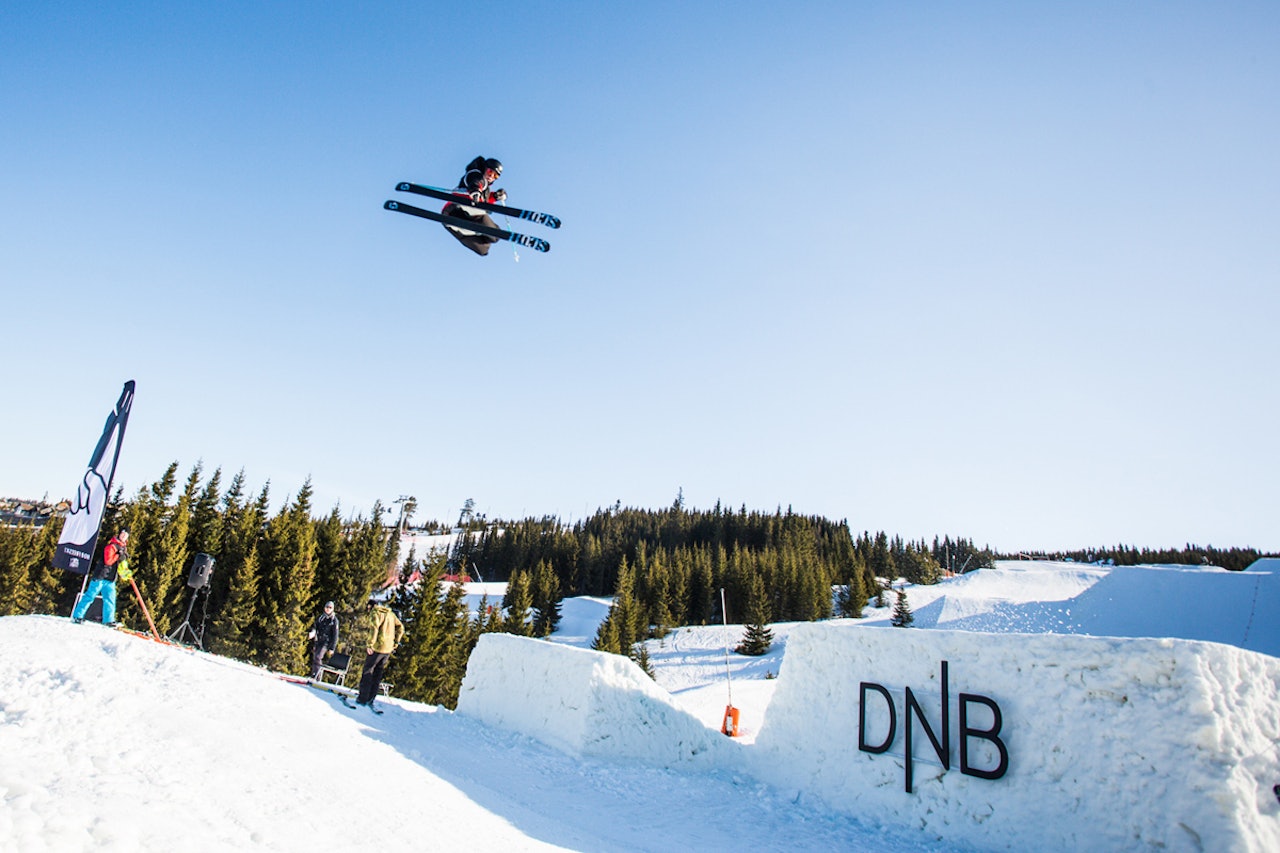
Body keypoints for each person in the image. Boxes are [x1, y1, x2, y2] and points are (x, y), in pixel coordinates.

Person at [441, 156, 507, 256]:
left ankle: (470, 229)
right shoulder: (475, 174)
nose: (491, 177)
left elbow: (484, 199)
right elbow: (475, 181)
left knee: (484, 249)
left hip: (455, 219)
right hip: (456, 208)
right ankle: (476, 228)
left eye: (495, 176)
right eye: (490, 172)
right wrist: (475, 190)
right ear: (484, 168)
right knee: (496, 234)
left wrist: (495, 196)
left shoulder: (486, 189)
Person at [72, 529, 131, 624]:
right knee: (90, 596)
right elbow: (108, 561)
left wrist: (125, 572)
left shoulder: (123, 548)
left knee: (110, 599)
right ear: (119, 534)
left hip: (110, 578)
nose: (123, 536)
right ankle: (77, 616)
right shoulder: (111, 546)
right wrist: (117, 556)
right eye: (122, 534)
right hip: (100, 576)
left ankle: (109, 620)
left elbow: (121, 565)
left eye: (126, 535)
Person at [355, 597, 404, 707]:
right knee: (378, 673)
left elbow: (374, 629)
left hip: (377, 647)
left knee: (368, 671)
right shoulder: (390, 614)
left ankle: (362, 698)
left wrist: (370, 644)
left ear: (370, 607)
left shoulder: (375, 613)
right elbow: (401, 628)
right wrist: (395, 642)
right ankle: (371, 698)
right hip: (388, 649)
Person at [308, 600, 340, 680]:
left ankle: (317, 676)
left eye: (330, 608)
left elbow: (335, 635)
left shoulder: (334, 620)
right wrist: (313, 632)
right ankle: (314, 674)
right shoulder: (321, 618)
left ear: (332, 609)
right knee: (315, 657)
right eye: (327, 607)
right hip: (318, 640)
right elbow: (315, 626)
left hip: (326, 642)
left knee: (318, 657)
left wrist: (332, 648)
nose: (328, 609)